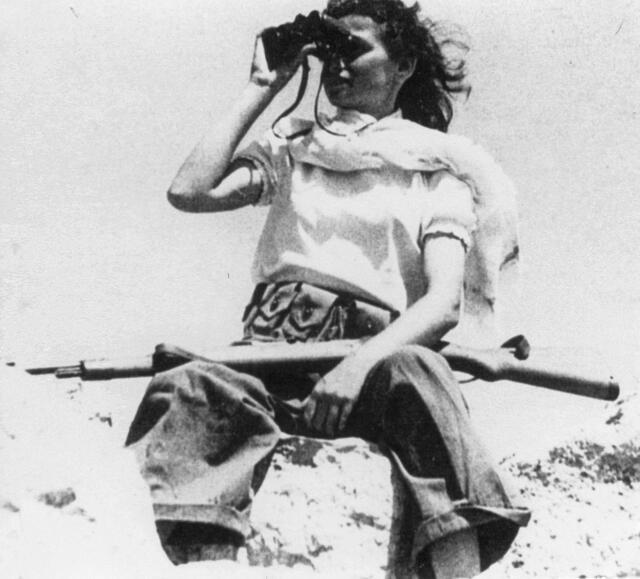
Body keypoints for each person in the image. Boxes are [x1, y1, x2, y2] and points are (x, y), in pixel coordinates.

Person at [125, 0, 530, 576]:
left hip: (374, 365)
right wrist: (263, 88)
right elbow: (190, 191)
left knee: (421, 377)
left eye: (356, 49)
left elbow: (442, 304)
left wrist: (355, 369)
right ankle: (208, 562)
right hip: (272, 352)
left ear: (405, 64)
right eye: (330, 51)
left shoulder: (439, 173)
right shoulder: (295, 148)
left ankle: (456, 567)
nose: (338, 66)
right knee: (193, 384)